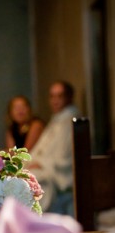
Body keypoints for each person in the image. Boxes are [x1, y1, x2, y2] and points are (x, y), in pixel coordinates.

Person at [28, 80, 80, 216]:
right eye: (52, 96)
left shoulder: (71, 120)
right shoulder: (57, 119)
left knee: (31, 181)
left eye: (60, 96)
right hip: (45, 168)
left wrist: (41, 163)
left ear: (69, 97)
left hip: (58, 176)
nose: (55, 101)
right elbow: (41, 149)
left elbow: (65, 159)